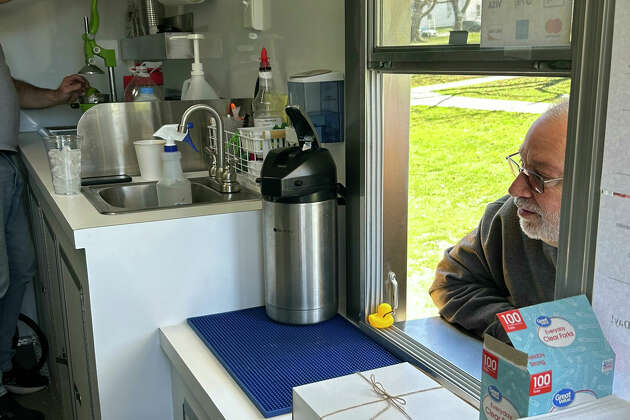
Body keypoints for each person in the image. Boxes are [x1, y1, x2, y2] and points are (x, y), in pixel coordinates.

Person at [429, 101, 568, 344]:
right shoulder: (509, 219)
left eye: (539, 177)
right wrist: (521, 332)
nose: (515, 189)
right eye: (523, 166)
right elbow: (450, 282)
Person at [1, 43, 87, 420]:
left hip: (6, 159)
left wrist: (55, 95)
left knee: (20, 268)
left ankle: (3, 367)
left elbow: (10, 88)